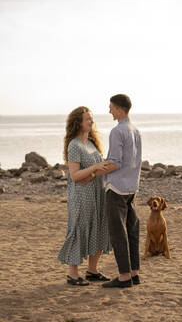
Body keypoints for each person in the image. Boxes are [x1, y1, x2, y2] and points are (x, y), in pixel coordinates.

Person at [57, 106, 111, 286]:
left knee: (98, 228)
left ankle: (92, 271)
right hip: (81, 196)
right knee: (79, 229)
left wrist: (97, 171)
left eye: (91, 118)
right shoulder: (74, 145)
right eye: (87, 119)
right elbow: (74, 176)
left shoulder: (92, 143)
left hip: (96, 192)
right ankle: (72, 275)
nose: (91, 122)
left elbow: (93, 172)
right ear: (78, 123)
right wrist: (94, 168)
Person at [101, 94, 142, 288]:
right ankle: (134, 273)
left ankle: (124, 277)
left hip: (117, 188)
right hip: (132, 188)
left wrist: (97, 169)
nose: (109, 111)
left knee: (118, 233)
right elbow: (135, 162)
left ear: (119, 109)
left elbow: (115, 163)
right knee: (132, 231)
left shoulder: (117, 131)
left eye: (111, 107)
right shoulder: (136, 130)